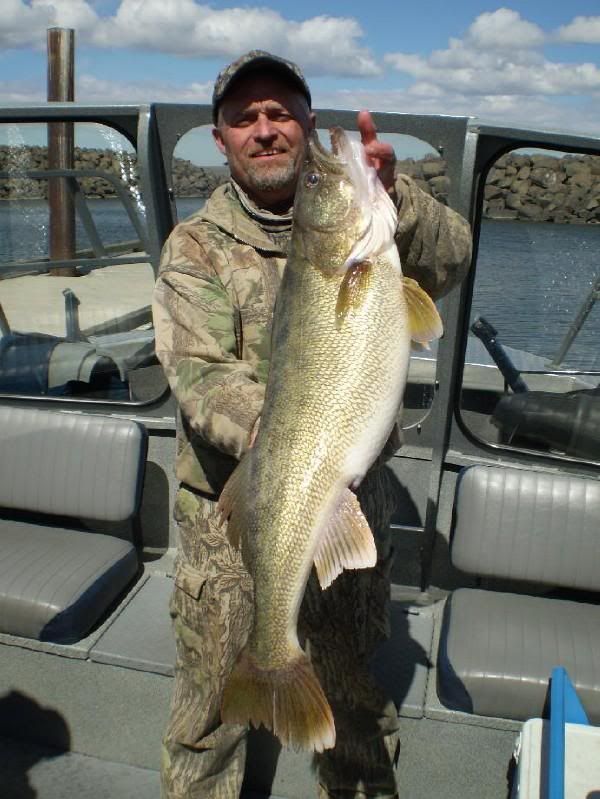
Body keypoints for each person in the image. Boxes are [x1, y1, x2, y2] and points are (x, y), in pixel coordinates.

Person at [152, 50, 472, 799]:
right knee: (207, 723)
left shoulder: (373, 228)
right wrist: (296, 447)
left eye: (281, 112)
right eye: (244, 117)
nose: (265, 129)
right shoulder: (194, 248)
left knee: (357, 704)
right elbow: (201, 379)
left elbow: (450, 262)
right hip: (231, 525)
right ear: (221, 137)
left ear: (306, 122)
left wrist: (400, 198)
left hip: (351, 502)